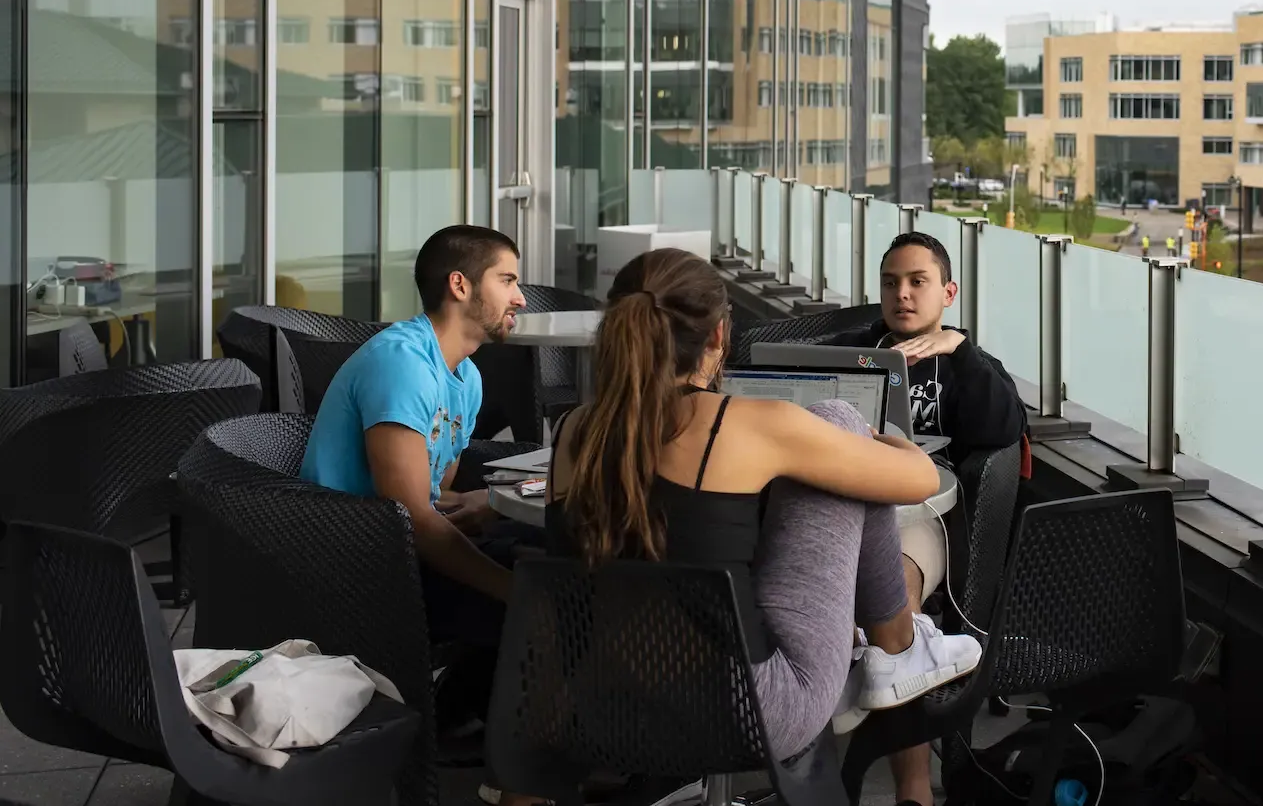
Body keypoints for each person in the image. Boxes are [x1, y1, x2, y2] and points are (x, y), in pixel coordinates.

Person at [546, 248, 982, 771]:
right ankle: (898, 646)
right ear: (718, 336)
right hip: (750, 711)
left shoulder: (574, 431)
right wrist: (879, 442)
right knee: (839, 416)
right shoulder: (752, 424)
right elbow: (919, 481)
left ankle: (895, 651)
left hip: (603, 702)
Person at [299, 224, 537, 806]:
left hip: (397, 550)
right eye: (507, 280)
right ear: (461, 285)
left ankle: (468, 724)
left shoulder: (466, 377)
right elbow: (404, 513)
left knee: (547, 562)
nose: (521, 297)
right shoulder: (402, 363)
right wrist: (511, 589)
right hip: (356, 569)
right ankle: (517, 776)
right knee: (541, 595)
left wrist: (482, 509)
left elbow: (435, 497)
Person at [831, 231, 1027, 806]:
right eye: (891, 282)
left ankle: (913, 788)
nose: (903, 294)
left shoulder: (968, 364)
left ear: (948, 291)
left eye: (918, 282)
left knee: (894, 600)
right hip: (840, 496)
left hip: (923, 510)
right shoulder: (859, 350)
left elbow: (1002, 430)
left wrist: (957, 350)